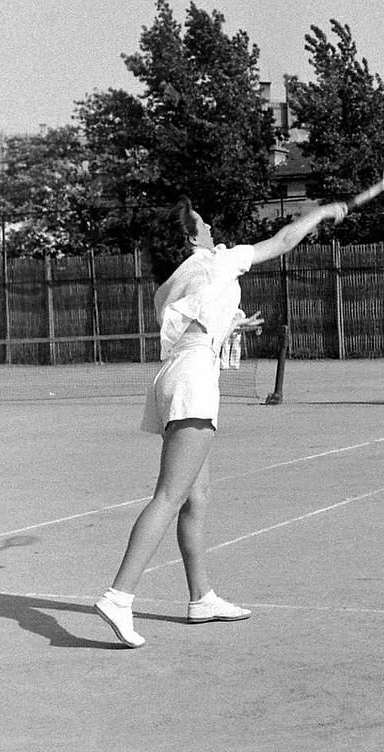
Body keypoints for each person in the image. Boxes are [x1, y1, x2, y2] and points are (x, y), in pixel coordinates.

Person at [94, 196, 346, 648]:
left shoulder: (171, 282)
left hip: (174, 374)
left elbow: (195, 326)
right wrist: (321, 212)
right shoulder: (218, 261)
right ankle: (119, 595)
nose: (211, 226)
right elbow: (283, 240)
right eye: (203, 223)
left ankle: (201, 597)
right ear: (192, 237)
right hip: (194, 379)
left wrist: (232, 325)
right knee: (170, 496)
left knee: (197, 495)